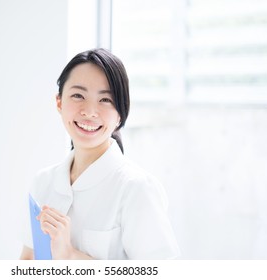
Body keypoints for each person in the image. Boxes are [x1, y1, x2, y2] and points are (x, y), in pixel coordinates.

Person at [20, 48, 180, 260]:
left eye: (105, 100)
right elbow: (27, 260)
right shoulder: (43, 182)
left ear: (120, 115)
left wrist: (69, 256)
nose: (89, 111)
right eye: (78, 95)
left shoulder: (136, 188)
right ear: (59, 102)